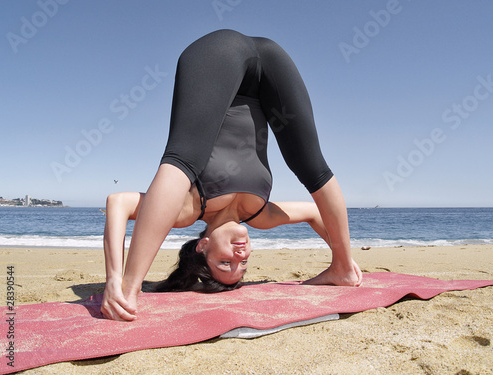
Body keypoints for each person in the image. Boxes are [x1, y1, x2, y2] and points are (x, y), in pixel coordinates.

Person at [101, 29, 362, 321]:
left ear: (203, 245)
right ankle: (343, 270)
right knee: (313, 167)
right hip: (272, 59)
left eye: (225, 263)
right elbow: (316, 213)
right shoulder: (260, 216)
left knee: (181, 158)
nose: (240, 256)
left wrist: (117, 278)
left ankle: (129, 291)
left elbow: (117, 203)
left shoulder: (186, 210)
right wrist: (343, 254)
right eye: (244, 264)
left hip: (217, 52)